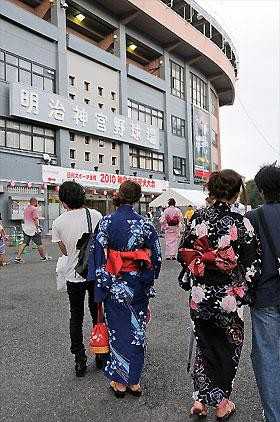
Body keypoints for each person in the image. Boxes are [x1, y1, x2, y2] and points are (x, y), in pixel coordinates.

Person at [178, 170, 260, 420]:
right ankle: (222, 402)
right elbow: (253, 261)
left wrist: (200, 272)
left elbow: (185, 253)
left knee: (204, 343)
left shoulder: (197, 218)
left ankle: (200, 400)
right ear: (236, 193)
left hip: (201, 294)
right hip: (228, 297)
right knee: (227, 346)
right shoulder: (241, 221)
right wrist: (243, 289)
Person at [89, 180, 161, 398]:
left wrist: (101, 285)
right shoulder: (146, 224)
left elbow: (98, 254)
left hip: (113, 283)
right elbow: (155, 257)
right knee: (137, 331)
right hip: (137, 284)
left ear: (119, 195)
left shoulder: (106, 222)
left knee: (118, 331)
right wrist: (147, 279)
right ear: (137, 198)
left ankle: (120, 382)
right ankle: (134, 382)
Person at [52, 181, 102, 377]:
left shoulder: (58, 223)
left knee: (76, 316)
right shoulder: (96, 215)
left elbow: (64, 250)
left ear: (64, 201)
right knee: (97, 314)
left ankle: (79, 358)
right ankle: (100, 352)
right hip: (94, 273)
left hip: (74, 275)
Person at [246, 164, 280, 422]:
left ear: (261, 189)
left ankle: (274, 415)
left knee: (268, 357)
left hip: (265, 295)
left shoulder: (253, 218)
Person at [15, 197, 50, 263]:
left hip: (26, 228)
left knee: (24, 243)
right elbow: (35, 219)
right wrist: (38, 227)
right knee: (39, 244)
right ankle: (43, 257)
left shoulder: (26, 209)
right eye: (37, 202)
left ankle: (18, 257)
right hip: (33, 229)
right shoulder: (34, 209)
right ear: (34, 202)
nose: (37, 203)